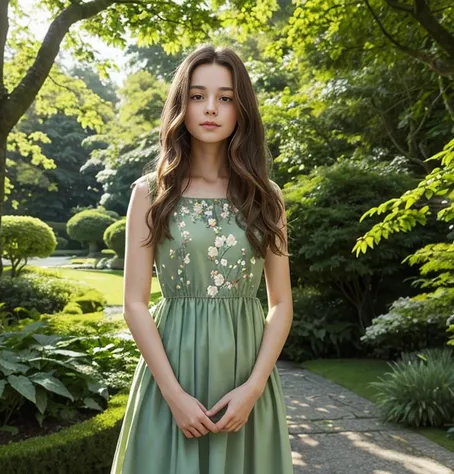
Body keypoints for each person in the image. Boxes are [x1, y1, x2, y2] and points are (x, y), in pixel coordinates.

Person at [110, 44, 294, 474]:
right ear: (182, 105)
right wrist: (173, 395)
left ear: (241, 108)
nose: (211, 108)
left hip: (246, 380)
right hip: (171, 375)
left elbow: (281, 305)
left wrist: (253, 388)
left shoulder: (266, 197)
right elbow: (134, 304)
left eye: (225, 97)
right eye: (197, 96)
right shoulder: (151, 193)